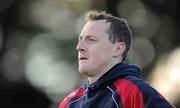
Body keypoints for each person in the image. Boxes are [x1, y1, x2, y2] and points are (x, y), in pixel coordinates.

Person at [59, 11, 175, 108]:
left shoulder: (134, 92)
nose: (79, 47)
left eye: (91, 40)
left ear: (118, 49)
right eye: (81, 40)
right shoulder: (69, 103)